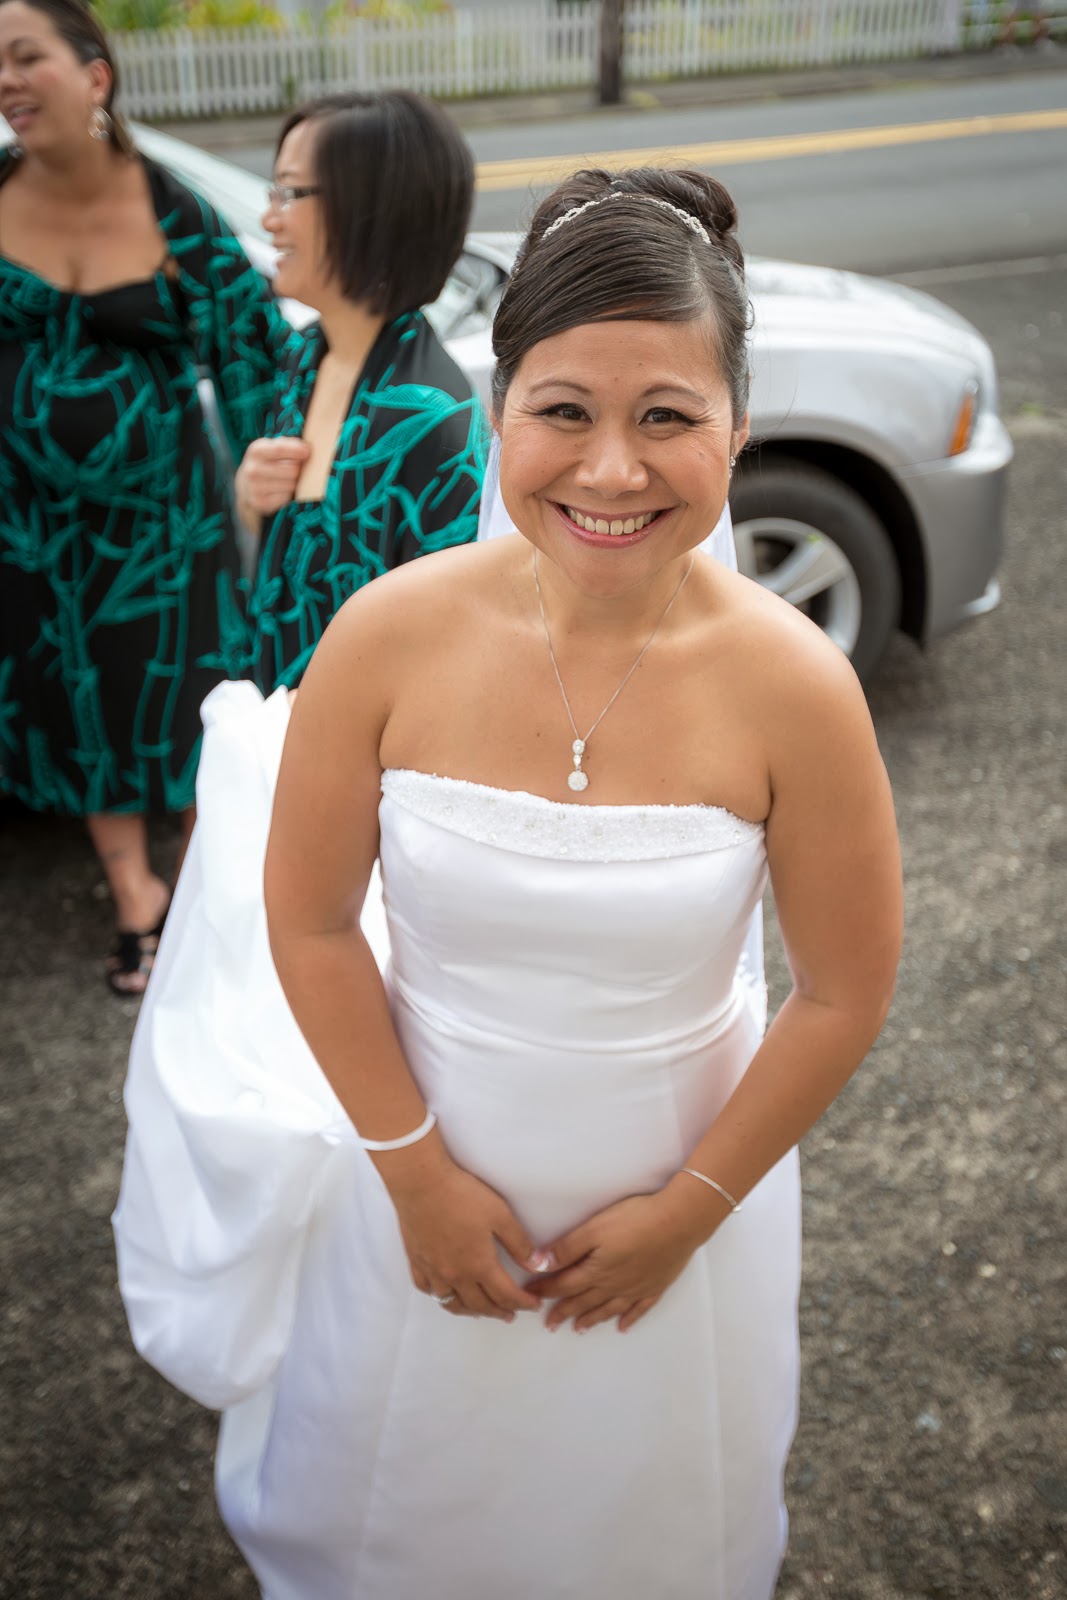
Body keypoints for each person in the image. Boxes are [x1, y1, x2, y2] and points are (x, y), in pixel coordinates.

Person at [114, 166, 902, 1598]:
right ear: (498, 411)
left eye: (667, 416)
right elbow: (306, 920)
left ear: (736, 422)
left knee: (639, 1514)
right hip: (419, 1150)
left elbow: (841, 991)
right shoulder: (387, 637)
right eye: (563, 411)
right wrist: (412, 1176)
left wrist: (688, 1210)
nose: (610, 471)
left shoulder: (795, 685)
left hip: (681, 1175)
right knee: (402, 1499)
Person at [0, 0, 289, 993]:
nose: (5, 78)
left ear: (95, 76)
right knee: (78, 703)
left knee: (183, 698)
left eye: (24, 55)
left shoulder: (173, 214)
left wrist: (280, 486)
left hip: (166, 528)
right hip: (31, 531)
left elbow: (254, 353)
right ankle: (136, 898)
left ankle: (209, 892)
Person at [237, 91, 486, 692]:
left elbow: (448, 655)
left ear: (369, 208)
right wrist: (251, 500)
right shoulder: (305, 355)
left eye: (290, 192)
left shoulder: (428, 415)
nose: (270, 218)